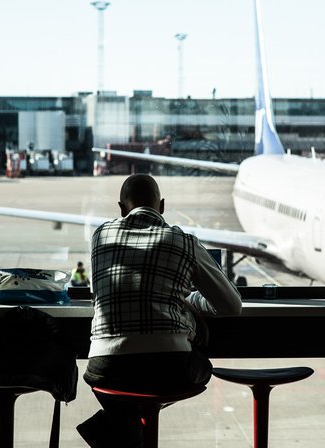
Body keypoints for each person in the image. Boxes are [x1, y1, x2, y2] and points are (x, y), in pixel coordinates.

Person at [78, 174, 242, 448]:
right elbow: (231, 305)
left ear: (121, 208)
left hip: (104, 369)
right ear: (162, 206)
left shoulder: (100, 237)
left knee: (126, 407)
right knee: (198, 365)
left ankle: (123, 427)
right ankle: (120, 428)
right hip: (170, 370)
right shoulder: (184, 241)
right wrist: (187, 299)